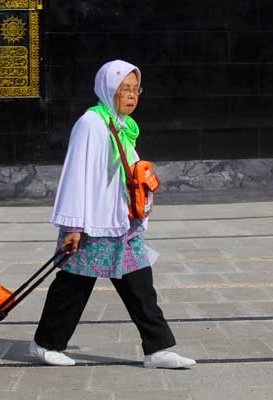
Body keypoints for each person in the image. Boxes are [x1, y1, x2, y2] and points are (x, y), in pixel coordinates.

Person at [28, 60, 196, 369]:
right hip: (92, 223)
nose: (132, 96)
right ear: (108, 89)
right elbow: (76, 174)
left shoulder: (123, 125)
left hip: (122, 223)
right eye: (124, 89)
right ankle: (46, 343)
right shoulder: (91, 123)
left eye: (136, 89)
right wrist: (74, 225)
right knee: (75, 283)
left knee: (141, 286)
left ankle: (157, 349)